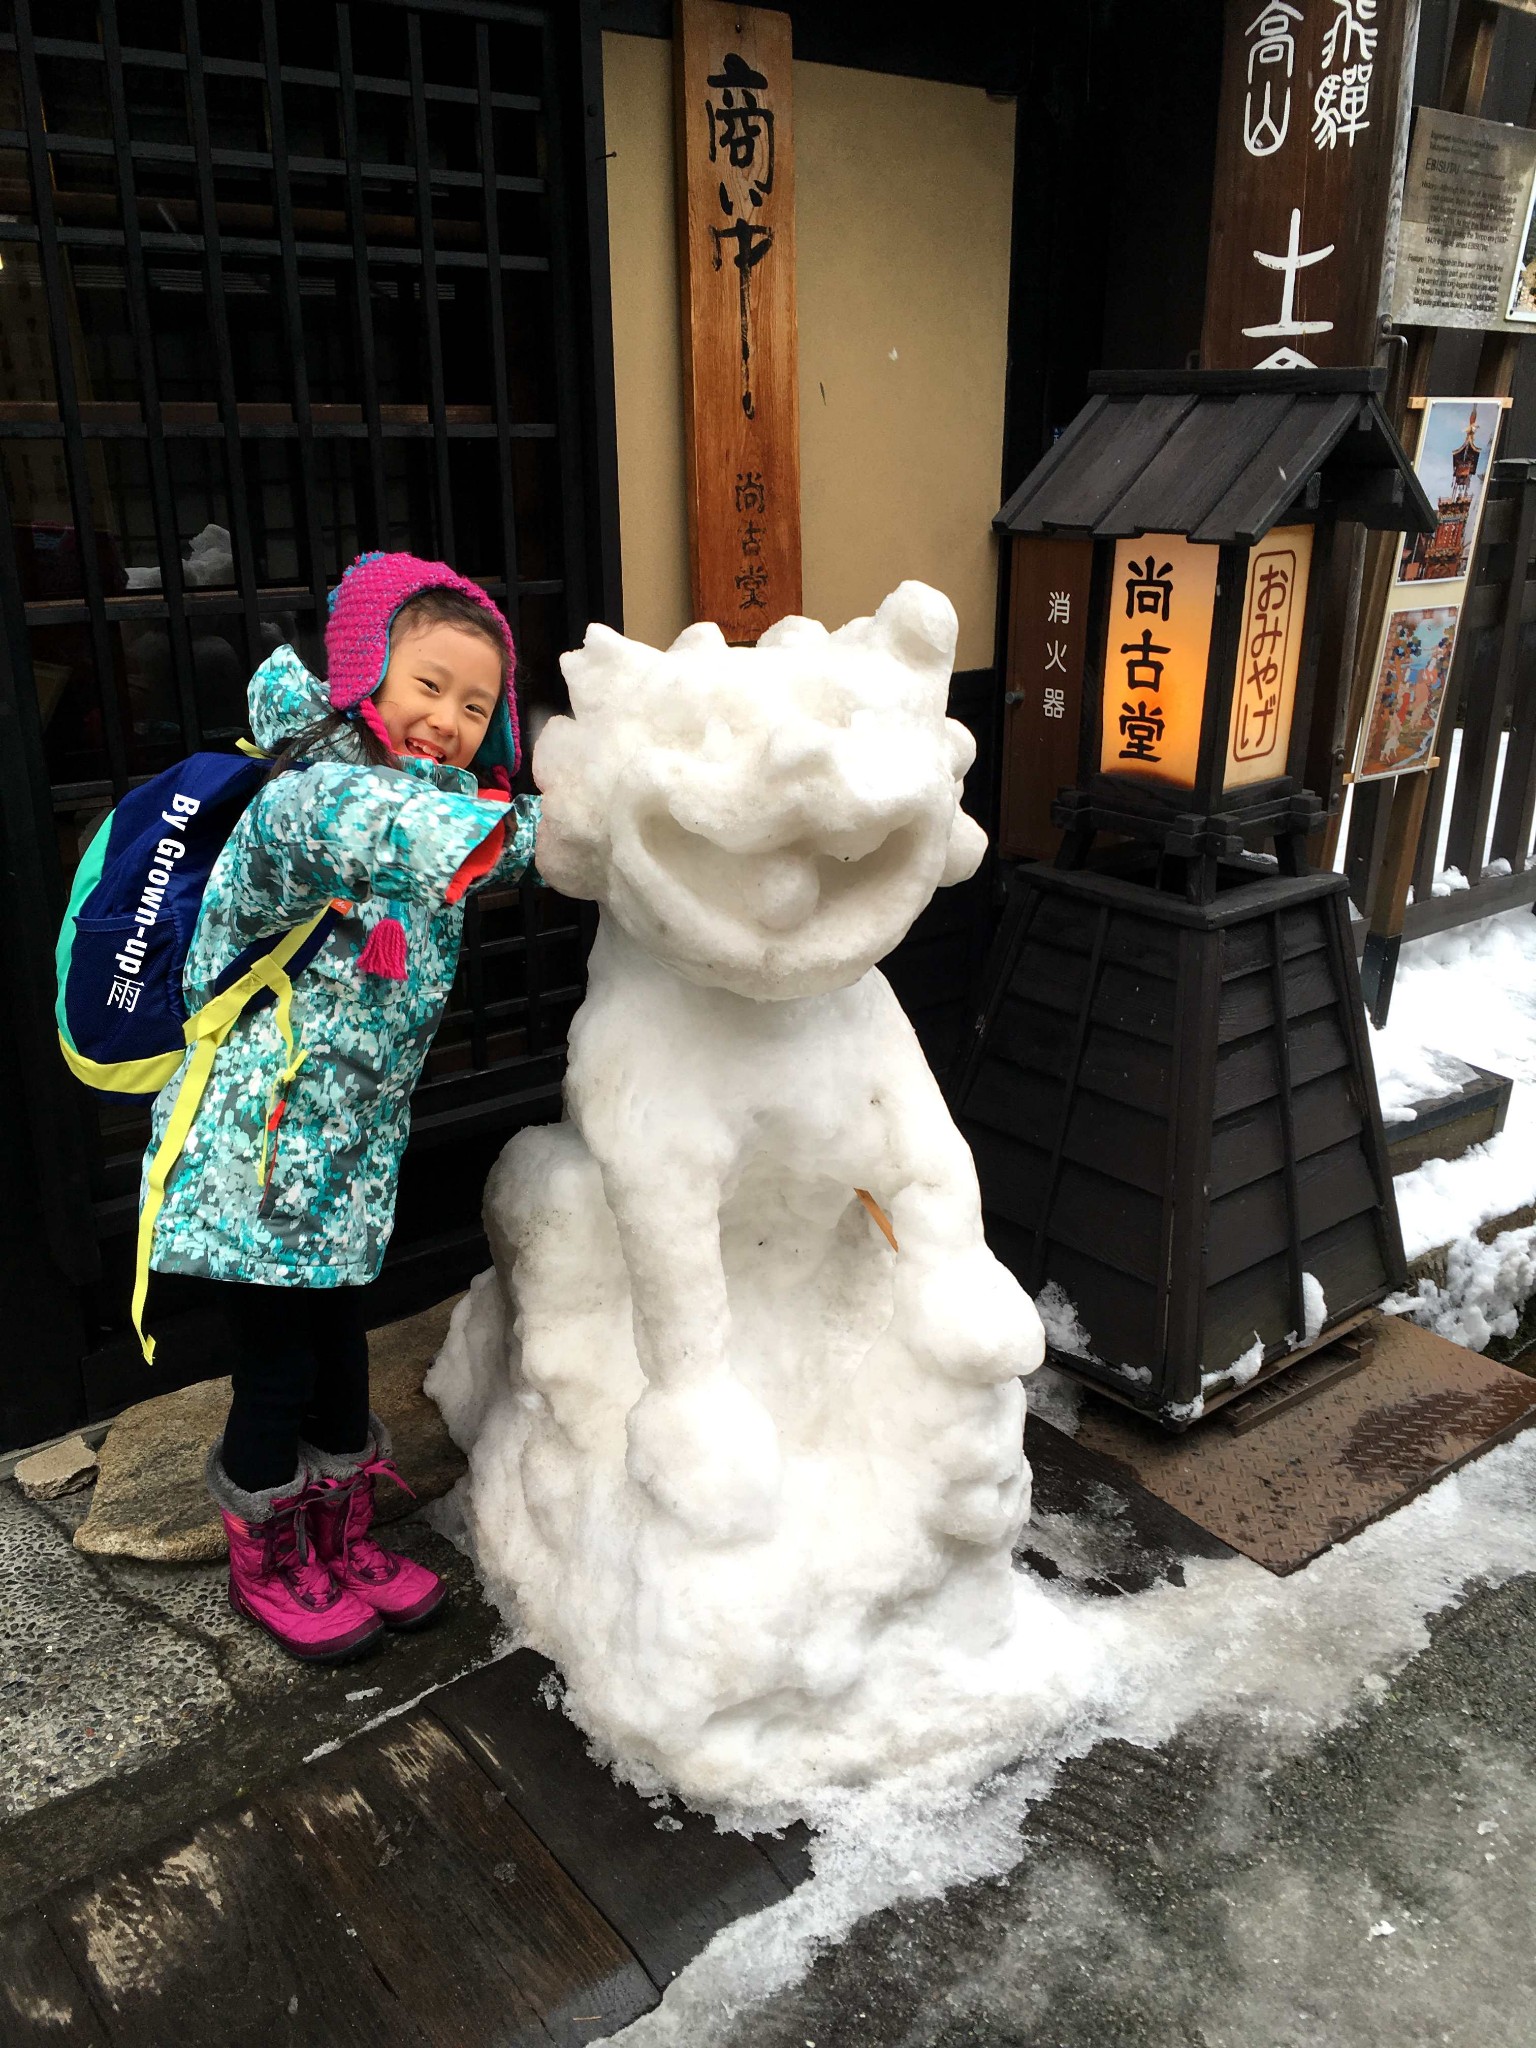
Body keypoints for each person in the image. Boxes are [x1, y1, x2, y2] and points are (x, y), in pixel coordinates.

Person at [141, 552, 540, 1662]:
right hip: (254, 1163)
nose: (448, 720)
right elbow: (377, 826)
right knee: (276, 1370)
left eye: (476, 704)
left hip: (345, 1165)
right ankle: (270, 1555)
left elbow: (503, 833)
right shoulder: (308, 791)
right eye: (428, 685)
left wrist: (622, 824)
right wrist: (493, 830)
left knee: (340, 1355)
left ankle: (340, 1536)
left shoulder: (443, 800)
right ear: (369, 672)